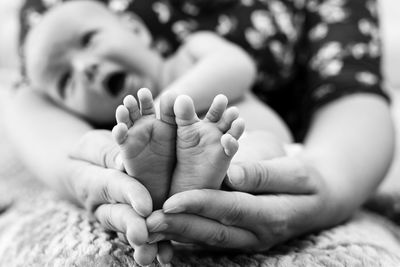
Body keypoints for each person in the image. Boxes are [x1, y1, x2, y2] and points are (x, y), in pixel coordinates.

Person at [5, 0, 394, 265]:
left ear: (136, 29)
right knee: (127, 156)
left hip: (263, 157)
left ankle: (208, 177)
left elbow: (236, 65)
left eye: (89, 40)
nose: (85, 67)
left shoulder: (191, 52)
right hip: (163, 173)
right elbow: (24, 102)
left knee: (255, 146)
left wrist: (170, 105)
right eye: (66, 81)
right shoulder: (124, 131)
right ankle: (161, 192)